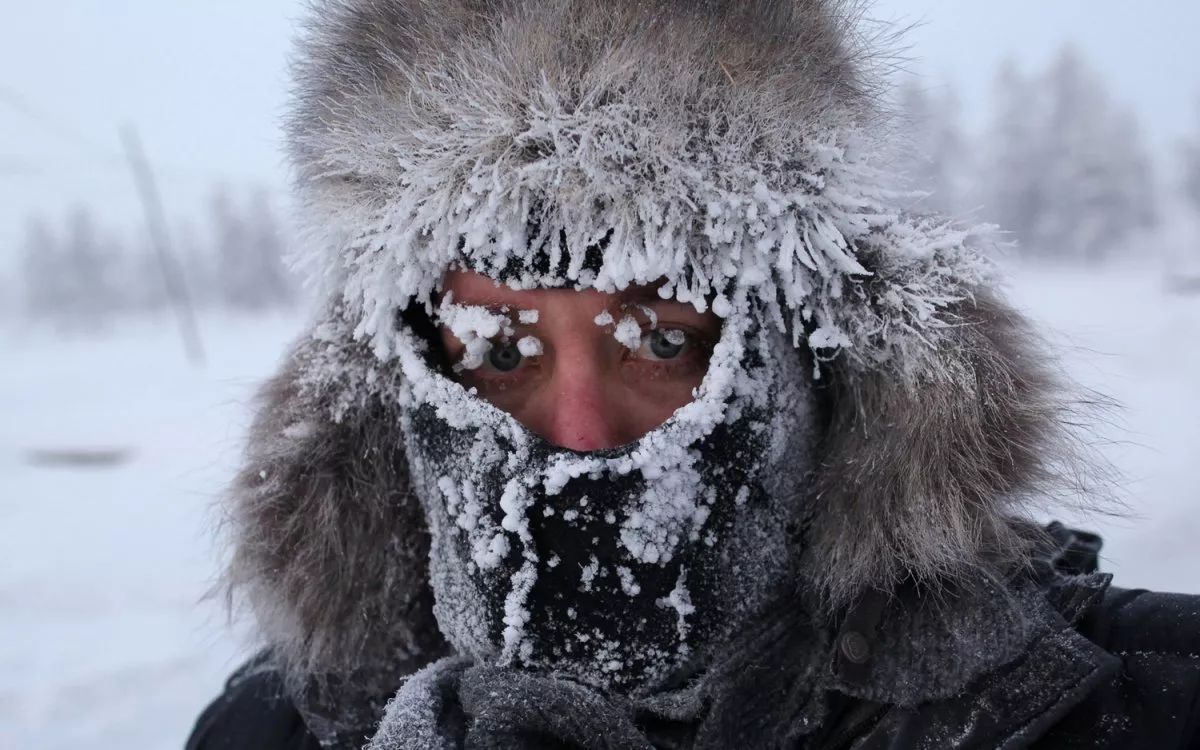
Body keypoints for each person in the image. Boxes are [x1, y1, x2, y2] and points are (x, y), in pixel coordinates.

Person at [187, 1, 1200, 748]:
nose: (579, 431)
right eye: (500, 350)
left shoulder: (1112, 706)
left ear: (804, 364)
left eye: (661, 341)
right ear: (401, 390)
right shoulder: (272, 729)